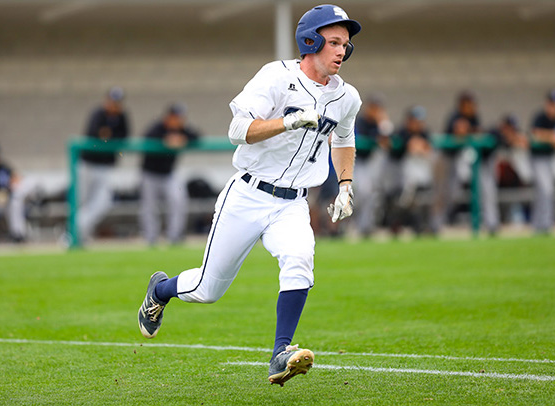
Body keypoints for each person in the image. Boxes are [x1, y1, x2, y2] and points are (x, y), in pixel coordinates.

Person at [137, 4, 362, 386]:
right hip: (248, 194)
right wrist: (287, 122)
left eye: (346, 44)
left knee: (299, 260)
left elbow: (344, 140)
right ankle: (160, 290)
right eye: (334, 42)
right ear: (310, 41)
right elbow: (237, 129)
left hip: (293, 201)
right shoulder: (276, 76)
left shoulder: (347, 97)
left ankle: (281, 352)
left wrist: (345, 185)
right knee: (208, 289)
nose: (342, 51)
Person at [139, 103, 200, 245]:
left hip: (169, 174)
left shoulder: (182, 129)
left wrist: (182, 139)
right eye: (176, 117)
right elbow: (147, 138)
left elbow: (196, 136)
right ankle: (151, 238)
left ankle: (174, 236)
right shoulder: (157, 128)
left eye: (180, 118)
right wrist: (165, 141)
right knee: (149, 207)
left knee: (178, 201)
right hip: (150, 174)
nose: (179, 120)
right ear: (169, 117)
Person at [77, 87, 130, 243]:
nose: (114, 105)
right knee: (81, 201)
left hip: (106, 167)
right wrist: (106, 136)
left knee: (103, 202)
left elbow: (124, 136)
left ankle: (78, 230)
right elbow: (94, 134)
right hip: (87, 164)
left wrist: (108, 135)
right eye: (112, 101)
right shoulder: (98, 114)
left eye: (117, 102)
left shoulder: (122, 117)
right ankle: (77, 235)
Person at [431, 90, 481, 234]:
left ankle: (442, 221)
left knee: (454, 193)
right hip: (444, 158)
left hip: (457, 159)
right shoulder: (455, 116)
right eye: (468, 104)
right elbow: (460, 132)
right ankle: (435, 225)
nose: (472, 107)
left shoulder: (473, 117)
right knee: (441, 192)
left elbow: (478, 132)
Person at [385, 106, 433, 235]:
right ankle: (395, 223)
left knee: (421, 200)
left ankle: (420, 226)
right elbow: (395, 152)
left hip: (420, 175)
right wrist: (410, 145)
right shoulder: (401, 133)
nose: (418, 124)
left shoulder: (424, 133)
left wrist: (419, 146)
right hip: (399, 174)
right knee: (404, 201)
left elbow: (427, 149)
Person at [353, 94, 394, 236]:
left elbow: (387, 140)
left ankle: (366, 226)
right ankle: (356, 225)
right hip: (356, 162)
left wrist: (383, 122)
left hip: (371, 163)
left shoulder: (379, 123)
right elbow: (359, 141)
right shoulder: (359, 121)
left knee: (371, 195)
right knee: (361, 193)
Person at [0, 141, 33, 242]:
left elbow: (17, 178)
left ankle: (18, 234)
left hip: (7, 200)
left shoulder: (2, 167)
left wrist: (14, 182)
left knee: (15, 201)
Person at [530, 89, 555, 233]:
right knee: (545, 190)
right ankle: (542, 224)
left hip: (551, 158)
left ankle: (541, 224)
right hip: (537, 158)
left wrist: (550, 137)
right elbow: (534, 134)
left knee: (546, 191)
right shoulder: (540, 117)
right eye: (552, 104)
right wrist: (550, 136)